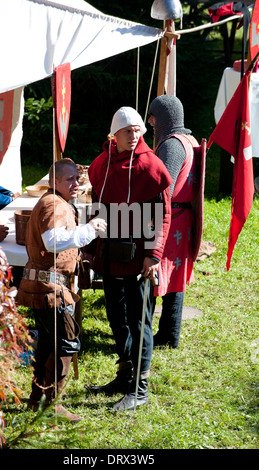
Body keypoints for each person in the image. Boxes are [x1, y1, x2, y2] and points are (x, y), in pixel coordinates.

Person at [85, 107, 172, 411]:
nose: (134, 136)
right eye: (127, 131)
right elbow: (95, 206)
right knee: (116, 316)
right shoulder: (102, 164)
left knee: (140, 321)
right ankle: (125, 375)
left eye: (137, 130)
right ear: (114, 135)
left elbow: (161, 216)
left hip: (140, 259)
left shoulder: (151, 166)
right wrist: (90, 249)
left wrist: (153, 254)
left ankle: (140, 388)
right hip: (110, 253)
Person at [16, 158, 106, 423]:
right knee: (65, 343)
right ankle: (50, 404)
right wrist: (88, 230)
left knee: (48, 343)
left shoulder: (56, 202)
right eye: (69, 179)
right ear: (53, 181)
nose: (75, 184)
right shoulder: (53, 204)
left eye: (77, 178)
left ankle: (38, 399)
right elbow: (52, 241)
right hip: (49, 288)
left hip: (47, 287)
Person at [148, 94, 199, 349]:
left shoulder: (172, 145)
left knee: (156, 274)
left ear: (163, 117)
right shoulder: (187, 139)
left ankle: (160, 334)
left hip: (172, 219)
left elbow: (162, 188)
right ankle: (169, 334)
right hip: (182, 217)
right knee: (173, 277)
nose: (150, 122)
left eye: (152, 117)